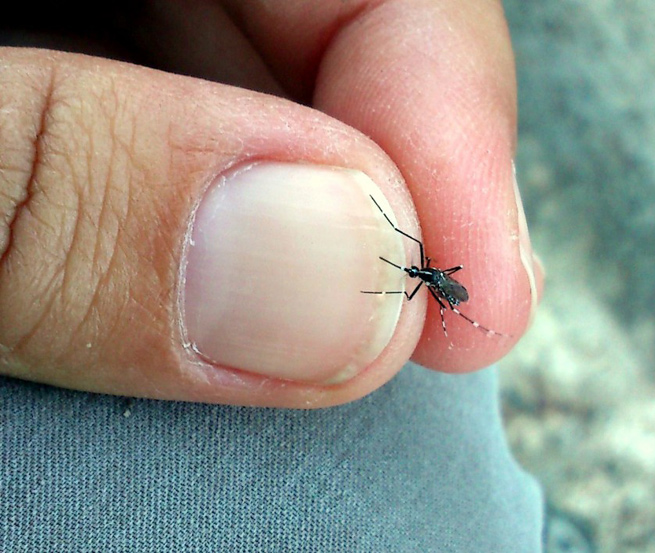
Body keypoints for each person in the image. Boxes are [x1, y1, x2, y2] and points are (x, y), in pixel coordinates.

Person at [0, 2, 545, 550]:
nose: (422, 275)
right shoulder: (418, 267)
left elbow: (438, 280)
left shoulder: (430, 277)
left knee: (443, 321)